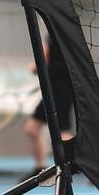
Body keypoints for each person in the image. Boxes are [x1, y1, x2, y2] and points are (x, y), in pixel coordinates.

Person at [20, 35, 74, 183]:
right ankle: (40, 169)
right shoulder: (58, 35)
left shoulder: (59, 37)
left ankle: (82, 166)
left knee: (63, 134)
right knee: (32, 128)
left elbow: (41, 60)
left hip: (60, 91)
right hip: (51, 91)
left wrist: (35, 68)